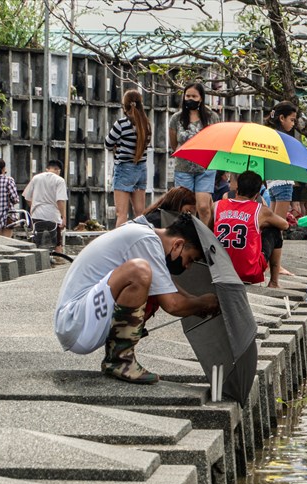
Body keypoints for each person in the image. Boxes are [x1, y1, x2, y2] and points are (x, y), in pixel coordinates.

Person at [54, 190, 218, 384]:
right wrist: (203, 303)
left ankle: (117, 356)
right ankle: (120, 360)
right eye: (189, 259)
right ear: (178, 245)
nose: (187, 265)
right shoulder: (145, 240)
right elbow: (173, 304)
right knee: (140, 271)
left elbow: (168, 287)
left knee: (153, 279)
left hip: (81, 320)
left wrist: (195, 301)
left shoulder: (145, 233)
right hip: (76, 324)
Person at [213, 170, 288, 287]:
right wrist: (263, 223)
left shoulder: (217, 205)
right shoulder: (261, 210)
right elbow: (285, 225)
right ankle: (274, 282)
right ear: (257, 194)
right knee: (274, 230)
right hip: (248, 272)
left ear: (237, 187)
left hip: (219, 271)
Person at [169, 82, 219, 225]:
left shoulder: (211, 117)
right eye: (188, 96)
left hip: (205, 168)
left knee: (203, 206)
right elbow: (174, 143)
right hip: (183, 168)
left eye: (194, 96)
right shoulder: (176, 118)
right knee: (186, 208)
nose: (190, 99)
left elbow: (216, 140)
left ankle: (206, 238)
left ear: (201, 98)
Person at [263, 101, 300, 281]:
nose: (293, 124)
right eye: (291, 120)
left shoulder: (269, 135)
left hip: (272, 183)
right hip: (283, 182)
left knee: (273, 225)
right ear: (281, 118)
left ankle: (272, 263)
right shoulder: (282, 138)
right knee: (278, 227)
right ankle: (275, 265)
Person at [104, 89, 151, 227]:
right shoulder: (146, 124)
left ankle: (119, 246)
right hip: (141, 169)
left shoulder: (121, 124)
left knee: (122, 214)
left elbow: (108, 143)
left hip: (124, 169)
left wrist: (118, 146)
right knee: (140, 213)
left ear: (124, 106)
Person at [23, 159, 67, 254]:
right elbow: (60, 200)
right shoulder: (60, 180)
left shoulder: (36, 178)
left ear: (47, 168)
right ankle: (58, 258)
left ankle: (37, 260)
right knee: (57, 243)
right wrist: (64, 217)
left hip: (37, 215)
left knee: (36, 242)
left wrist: (33, 207)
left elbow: (27, 197)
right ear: (58, 170)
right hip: (53, 216)